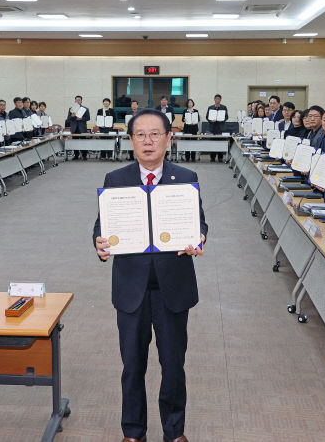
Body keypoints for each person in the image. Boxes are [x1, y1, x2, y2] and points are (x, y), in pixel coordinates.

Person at [93, 109, 207, 442]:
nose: (148, 141)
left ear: (169, 138)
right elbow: (102, 226)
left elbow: (199, 223)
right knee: (132, 366)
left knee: (173, 365)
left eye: (155, 134)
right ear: (130, 140)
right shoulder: (116, 179)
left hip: (173, 287)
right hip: (132, 289)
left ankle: (174, 432)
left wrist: (199, 237)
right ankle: (133, 432)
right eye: (140, 134)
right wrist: (99, 244)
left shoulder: (186, 177)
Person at [206, 94, 228, 162]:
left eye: (218, 99)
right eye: (216, 99)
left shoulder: (224, 107)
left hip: (220, 127)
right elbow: (207, 117)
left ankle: (220, 157)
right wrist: (210, 120)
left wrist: (223, 119)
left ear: (220, 100)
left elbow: (226, 117)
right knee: (212, 143)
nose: (217, 100)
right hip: (213, 127)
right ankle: (212, 157)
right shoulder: (210, 107)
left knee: (220, 143)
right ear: (214, 99)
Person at [67, 95, 90, 160]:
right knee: (75, 142)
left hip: (82, 128)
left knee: (84, 142)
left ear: (81, 101)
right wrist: (72, 116)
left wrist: (81, 118)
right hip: (74, 128)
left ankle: (84, 155)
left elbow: (88, 118)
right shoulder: (71, 109)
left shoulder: (85, 109)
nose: (77, 101)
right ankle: (76, 155)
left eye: (79, 100)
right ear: (75, 101)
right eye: (76, 100)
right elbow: (68, 119)